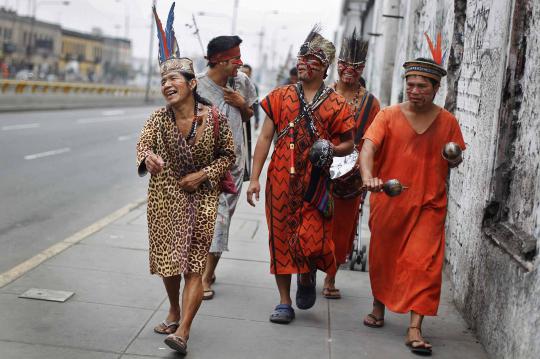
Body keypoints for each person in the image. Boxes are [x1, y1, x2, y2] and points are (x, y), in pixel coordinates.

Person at [136, 3, 235, 354]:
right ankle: (174, 308)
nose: (167, 85)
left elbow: (229, 157)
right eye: (163, 81)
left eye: (173, 79)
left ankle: (184, 331)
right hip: (163, 197)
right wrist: (148, 158)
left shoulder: (215, 119)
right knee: (168, 261)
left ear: (192, 84)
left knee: (194, 264)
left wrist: (202, 174)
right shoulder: (157, 118)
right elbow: (143, 146)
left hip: (203, 198)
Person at [359, 33, 465, 356]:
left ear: (436, 89)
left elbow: (457, 155)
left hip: (429, 205)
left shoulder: (447, 122)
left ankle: (415, 328)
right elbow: (369, 148)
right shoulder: (388, 115)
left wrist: (453, 156)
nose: (415, 90)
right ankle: (379, 305)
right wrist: (368, 176)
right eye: (411, 84)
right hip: (390, 201)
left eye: (423, 86)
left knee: (423, 264)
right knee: (384, 258)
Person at [247, 26, 354, 324]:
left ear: (324, 68)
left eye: (312, 62)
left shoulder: (336, 103)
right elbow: (264, 139)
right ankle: (283, 301)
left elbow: (349, 143)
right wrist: (255, 178)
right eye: (301, 59)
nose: (304, 65)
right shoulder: (279, 97)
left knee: (311, 238)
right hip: (280, 179)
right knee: (280, 238)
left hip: (316, 182)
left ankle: (306, 276)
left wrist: (331, 148)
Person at [197, 35, 258, 300]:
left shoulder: (242, 83)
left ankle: (206, 276)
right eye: (235, 59)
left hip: (231, 168)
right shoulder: (195, 86)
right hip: (201, 168)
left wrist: (241, 104)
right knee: (203, 224)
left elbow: (249, 116)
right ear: (221, 61)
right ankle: (200, 273)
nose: (240, 64)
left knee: (221, 221)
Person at [324, 30, 380, 299]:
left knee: (342, 229)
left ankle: (330, 278)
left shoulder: (371, 103)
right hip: (318, 170)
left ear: (363, 69)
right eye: (345, 65)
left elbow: (373, 141)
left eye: (356, 67)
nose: (349, 71)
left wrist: (364, 170)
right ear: (338, 66)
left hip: (351, 175)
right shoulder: (322, 93)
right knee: (313, 224)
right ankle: (309, 274)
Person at [240, 64, 261, 131]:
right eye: (242, 72)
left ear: (250, 74)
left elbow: (256, 105)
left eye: (246, 73)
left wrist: (257, 121)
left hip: (247, 118)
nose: (244, 75)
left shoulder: (253, 88)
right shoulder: (234, 85)